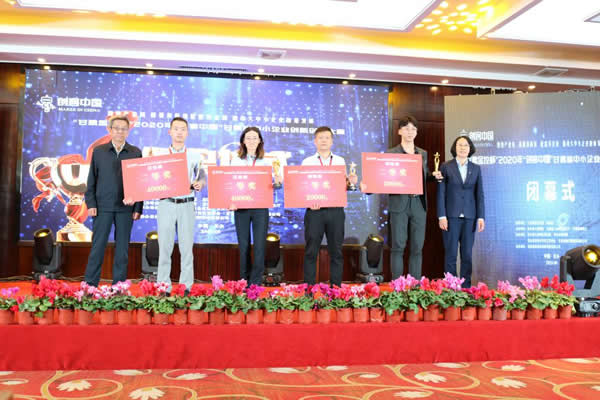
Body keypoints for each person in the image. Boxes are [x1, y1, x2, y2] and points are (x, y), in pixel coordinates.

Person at [362, 116, 441, 280]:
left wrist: (433, 176)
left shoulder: (422, 153)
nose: (410, 132)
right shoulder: (391, 153)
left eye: (413, 129)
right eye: (406, 128)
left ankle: (415, 285)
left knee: (417, 247)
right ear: (399, 131)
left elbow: (422, 176)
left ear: (416, 132)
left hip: (418, 204)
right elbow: (381, 178)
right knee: (398, 246)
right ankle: (397, 285)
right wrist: (368, 188)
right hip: (399, 204)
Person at [84, 115, 143, 286]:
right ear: (110, 130)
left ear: (128, 131)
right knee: (97, 247)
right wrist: (91, 203)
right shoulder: (99, 151)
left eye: (123, 129)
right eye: (116, 128)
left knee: (122, 250)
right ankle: (90, 286)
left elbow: (140, 182)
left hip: (126, 208)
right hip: (102, 207)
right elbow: (92, 179)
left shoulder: (135, 152)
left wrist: (138, 207)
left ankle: (119, 287)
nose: (120, 132)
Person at [302, 126, 357, 287]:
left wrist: (351, 183)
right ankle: (309, 290)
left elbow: (343, 186)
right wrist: (308, 201)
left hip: (335, 211)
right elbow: (302, 187)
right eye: (320, 138)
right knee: (311, 252)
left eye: (327, 138)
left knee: (336, 252)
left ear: (332, 141)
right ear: (315, 141)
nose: (324, 141)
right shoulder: (307, 162)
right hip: (314, 211)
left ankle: (336, 289)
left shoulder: (340, 161)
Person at [157, 117, 205, 294]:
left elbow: (201, 176)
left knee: (186, 249)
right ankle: (163, 287)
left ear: (187, 133)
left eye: (183, 129)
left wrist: (200, 183)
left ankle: (186, 287)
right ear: (169, 132)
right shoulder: (160, 156)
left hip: (186, 204)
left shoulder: (195, 156)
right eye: (176, 128)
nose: (179, 132)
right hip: (166, 203)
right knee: (164, 248)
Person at [229, 127, 282, 285]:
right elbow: (230, 183)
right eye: (248, 138)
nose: (251, 141)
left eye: (254, 138)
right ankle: (244, 282)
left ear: (260, 141)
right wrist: (230, 201)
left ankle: (256, 284)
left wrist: (278, 182)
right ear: (243, 141)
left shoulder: (266, 161)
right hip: (241, 207)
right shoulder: (236, 161)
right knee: (244, 246)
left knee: (260, 246)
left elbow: (274, 186)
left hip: (260, 208)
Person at [437, 135, 485, 288]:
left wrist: (481, 217)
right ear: (455, 148)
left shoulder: (476, 168)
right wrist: (441, 215)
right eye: (460, 145)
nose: (463, 148)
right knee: (451, 254)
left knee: (467, 255)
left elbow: (479, 194)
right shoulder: (446, 166)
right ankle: (451, 287)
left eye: (465, 145)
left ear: (470, 149)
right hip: (451, 217)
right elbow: (441, 193)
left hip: (470, 217)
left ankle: (466, 288)